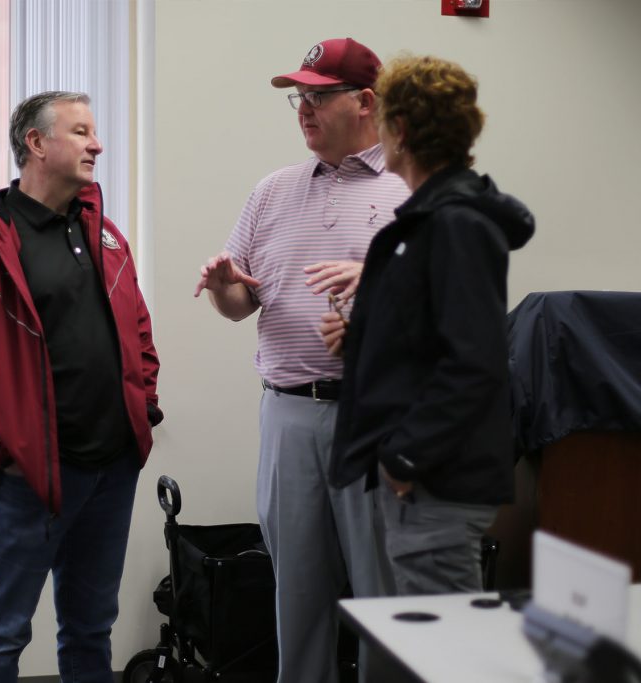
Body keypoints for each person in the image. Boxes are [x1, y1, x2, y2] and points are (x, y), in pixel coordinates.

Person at [0, 90, 164, 683]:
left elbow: (138, 329)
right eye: (81, 131)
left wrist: (145, 404)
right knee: (1, 631)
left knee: (91, 630)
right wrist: (0, 446)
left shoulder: (105, 234)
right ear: (36, 143)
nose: (97, 144)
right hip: (26, 477)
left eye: (95, 131)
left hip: (111, 468)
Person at [193, 38, 408, 683]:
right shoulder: (273, 192)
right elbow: (240, 307)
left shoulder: (411, 188)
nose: (303, 110)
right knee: (298, 596)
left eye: (318, 96)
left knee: (384, 601)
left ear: (365, 101)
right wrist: (225, 284)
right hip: (289, 415)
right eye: (299, 97)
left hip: (378, 416)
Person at [322, 55, 535, 595]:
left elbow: (474, 365)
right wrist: (362, 341)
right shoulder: (431, 218)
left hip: (435, 480)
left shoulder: (456, 224)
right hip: (426, 479)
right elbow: (429, 340)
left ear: (400, 129)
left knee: (444, 657)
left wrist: (402, 458)